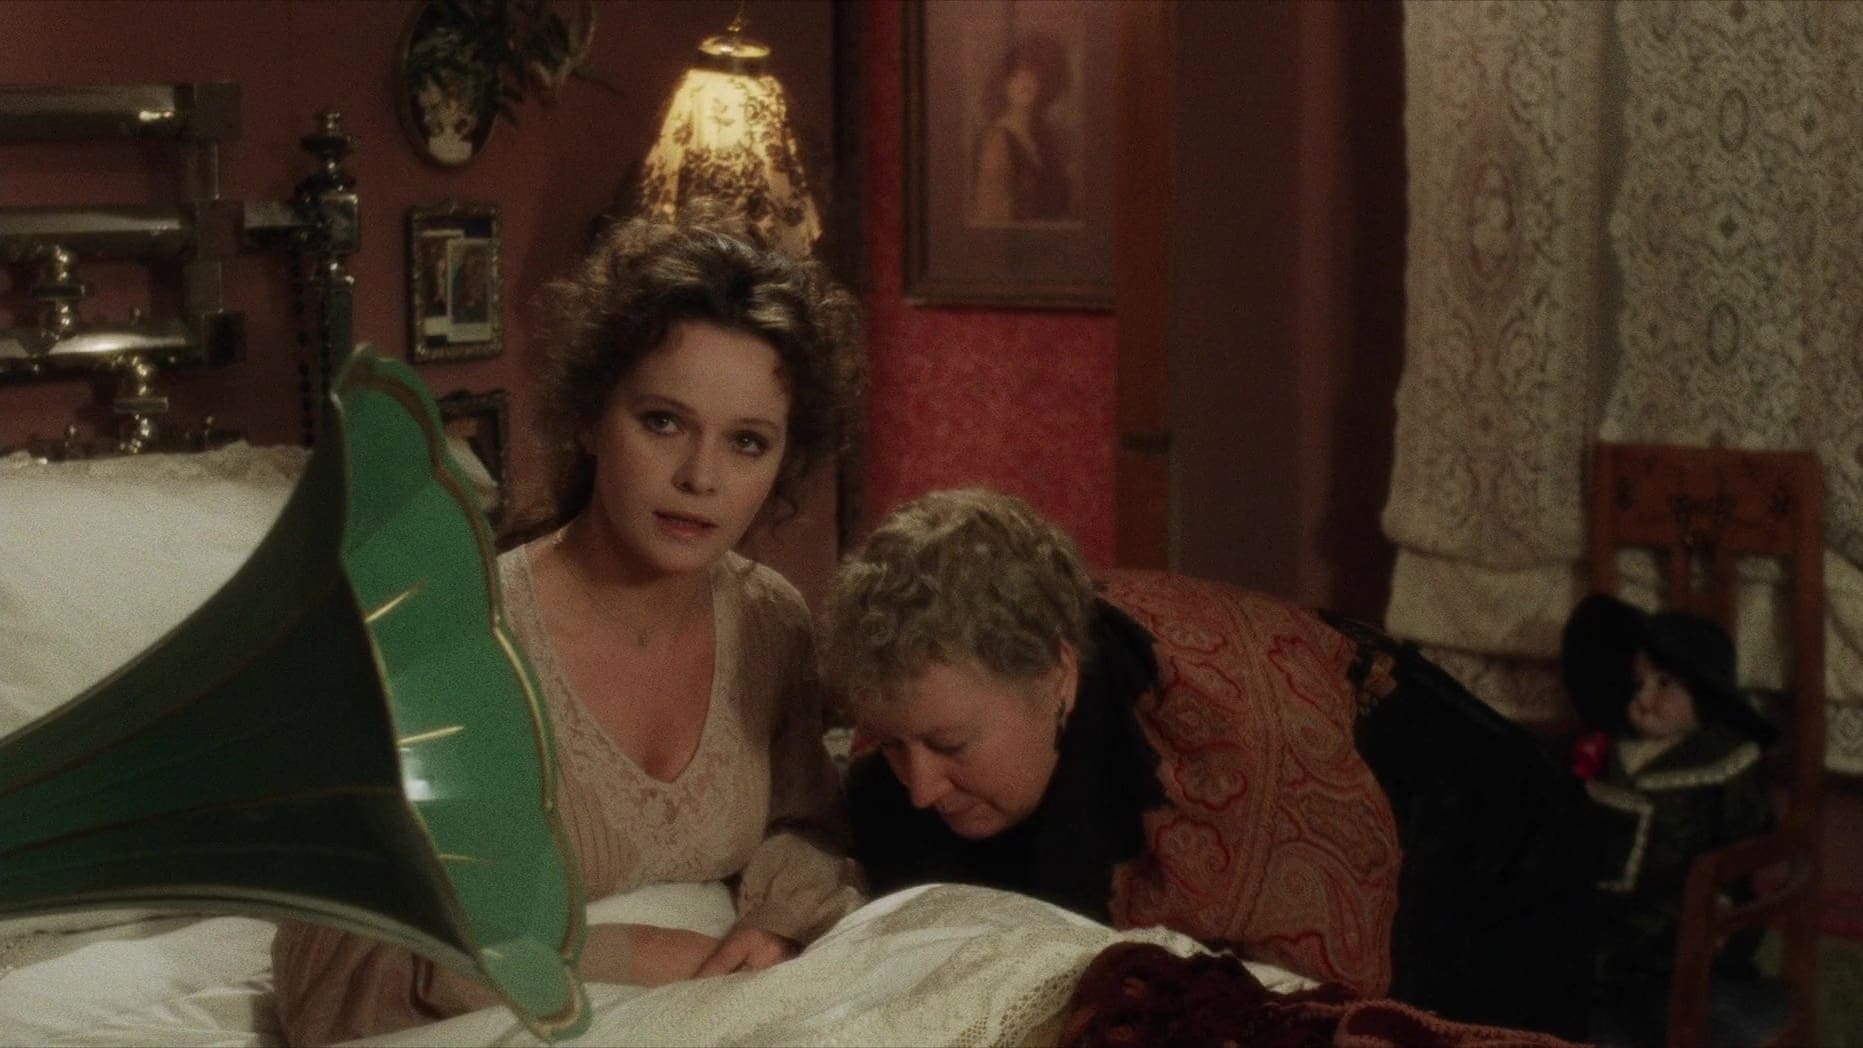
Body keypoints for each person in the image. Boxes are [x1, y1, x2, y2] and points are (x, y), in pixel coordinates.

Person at [271, 203, 867, 1044]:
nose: (700, 477)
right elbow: (337, 955)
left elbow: (807, 828)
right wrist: (611, 957)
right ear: (590, 418)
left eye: (746, 442)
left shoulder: (770, 619)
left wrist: (776, 925)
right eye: (663, 422)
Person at [823, 488, 1595, 1039]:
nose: (919, 787)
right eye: (893, 744)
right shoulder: (906, 740)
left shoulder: (1232, 766)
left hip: (1487, 852)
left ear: (1056, 677)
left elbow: (1311, 1008)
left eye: (950, 747)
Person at [1559, 593, 1782, 1048]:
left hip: (1676, 927)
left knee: (1673, 1011)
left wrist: (1722, 903)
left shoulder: (1722, 759)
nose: (1643, 697)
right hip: (1596, 926)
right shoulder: (1608, 748)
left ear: (1703, 697)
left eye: (1664, 684)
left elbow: (1744, 842)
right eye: (1639, 682)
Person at [970, 33, 1075, 226]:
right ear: (1003, 83)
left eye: (1032, 75)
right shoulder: (997, 139)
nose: (1025, 82)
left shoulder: (1044, 136)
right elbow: (992, 218)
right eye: (1016, 75)